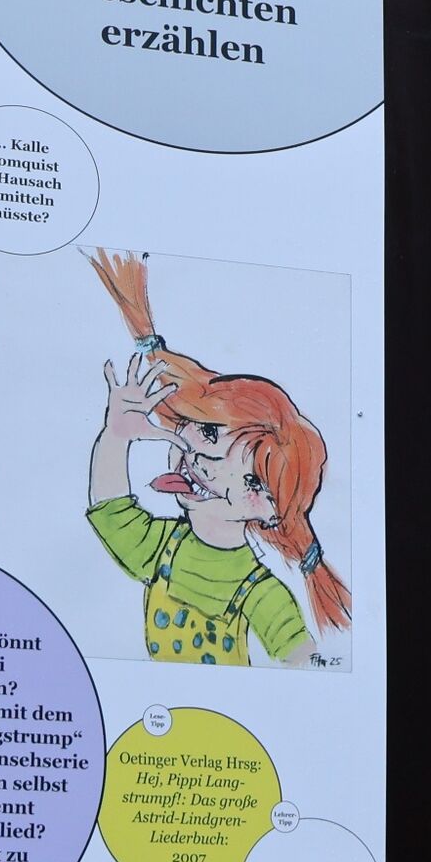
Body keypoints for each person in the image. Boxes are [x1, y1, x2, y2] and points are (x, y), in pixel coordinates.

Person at [84, 249, 349, 667]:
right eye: (206, 431)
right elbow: (111, 514)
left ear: (266, 507)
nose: (200, 456)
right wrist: (115, 438)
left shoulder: (262, 591)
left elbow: (304, 665)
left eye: (251, 480)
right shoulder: (164, 547)